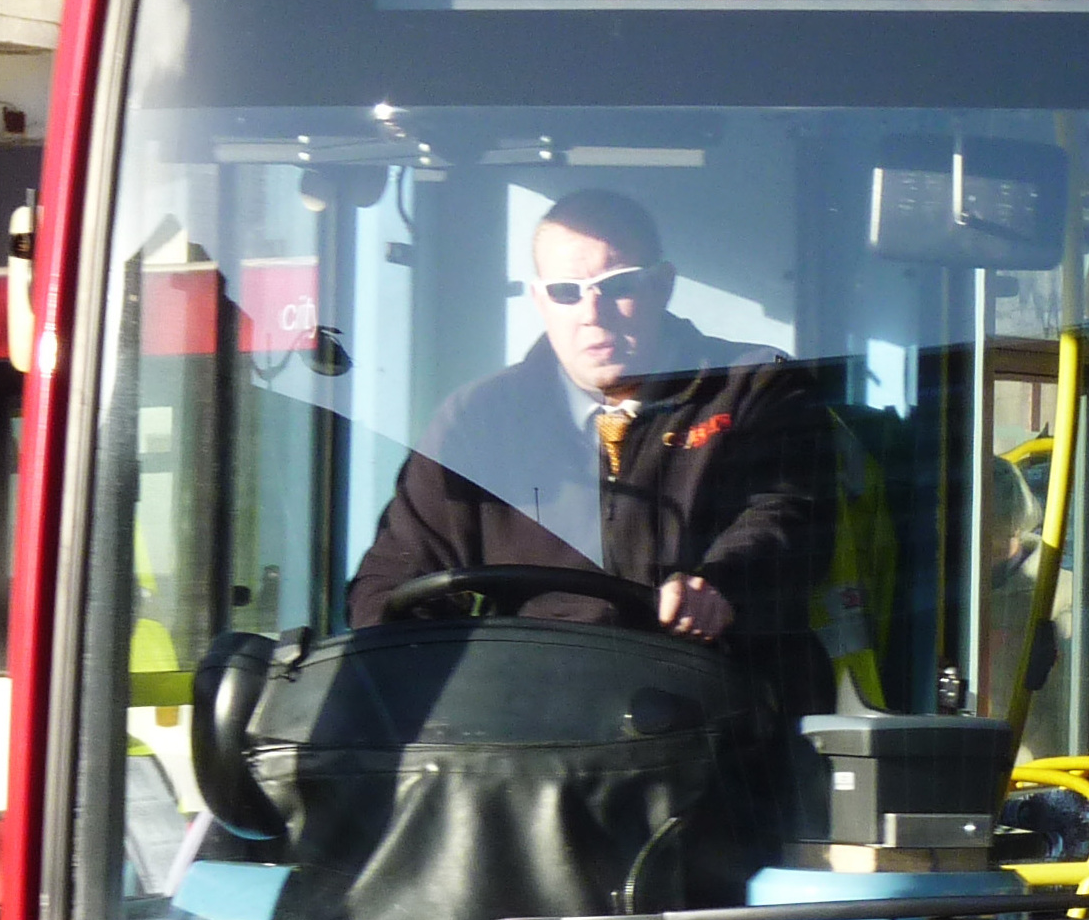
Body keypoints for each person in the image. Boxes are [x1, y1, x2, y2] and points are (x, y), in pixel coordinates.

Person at [345, 191, 829, 707]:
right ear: (539, 300)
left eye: (617, 285)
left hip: (718, 714)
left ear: (663, 284)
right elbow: (391, 585)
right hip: (535, 726)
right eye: (566, 291)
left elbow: (787, 518)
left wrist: (718, 588)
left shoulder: (754, 387)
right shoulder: (476, 420)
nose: (593, 313)